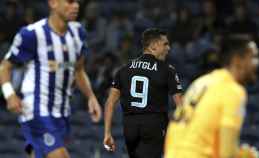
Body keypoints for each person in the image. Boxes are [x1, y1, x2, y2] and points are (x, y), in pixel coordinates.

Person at [0, 0, 102, 158]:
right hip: (36, 109)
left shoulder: (78, 33)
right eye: (69, 1)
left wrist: (91, 96)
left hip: (61, 112)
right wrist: (10, 94)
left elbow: (79, 70)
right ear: (53, 3)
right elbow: (5, 67)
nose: (76, 6)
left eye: (77, 2)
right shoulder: (32, 33)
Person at [164, 36, 259, 158]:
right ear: (238, 60)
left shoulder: (201, 82)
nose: (258, 62)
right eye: (254, 57)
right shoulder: (232, 90)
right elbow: (227, 154)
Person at [103, 28, 183, 158]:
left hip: (130, 126)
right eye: (165, 44)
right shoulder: (167, 70)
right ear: (153, 46)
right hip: (154, 125)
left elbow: (110, 103)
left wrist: (107, 133)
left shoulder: (124, 69)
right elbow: (180, 103)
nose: (168, 48)